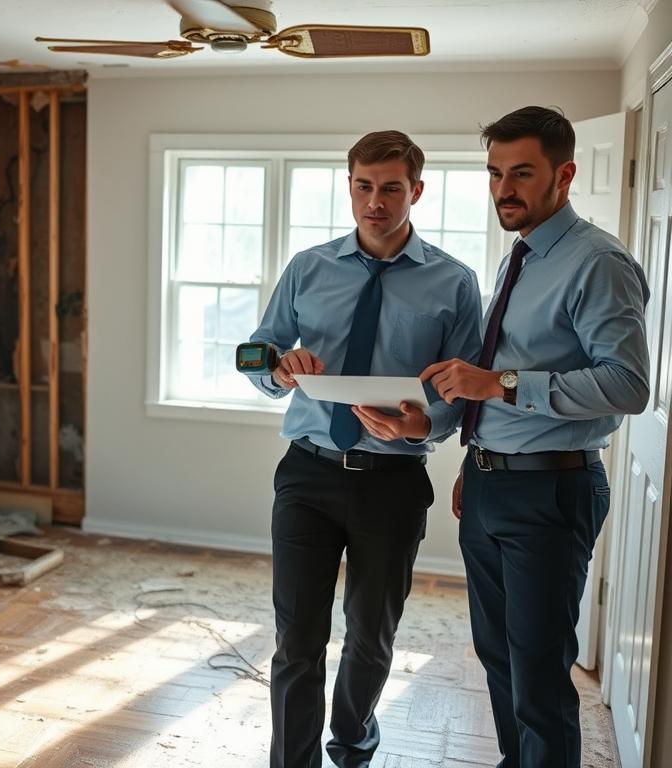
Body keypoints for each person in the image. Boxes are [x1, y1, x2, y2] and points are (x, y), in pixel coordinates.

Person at [243, 130, 483, 768]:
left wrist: (420, 427)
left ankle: (351, 747)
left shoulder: (455, 283)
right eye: (364, 186)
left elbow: (464, 394)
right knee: (297, 638)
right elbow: (255, 352)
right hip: (307, 475)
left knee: (372, 638)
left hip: (392, 483)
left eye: (391, 188)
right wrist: (280, 367)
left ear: (417, 191)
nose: (376, 202)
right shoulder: (308, 267)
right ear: (349, 185)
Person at [421, 106, 650, 767]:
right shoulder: (519, 258)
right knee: (499, 658)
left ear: (565, 174)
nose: (503, 189)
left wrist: (497, 386)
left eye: (522, 173)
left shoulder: (596, 262)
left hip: (552, 491)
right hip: (494, 484)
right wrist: (477, 456)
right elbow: (507, 365)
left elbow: (627, 386)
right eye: (495, 173)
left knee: (541, 674)